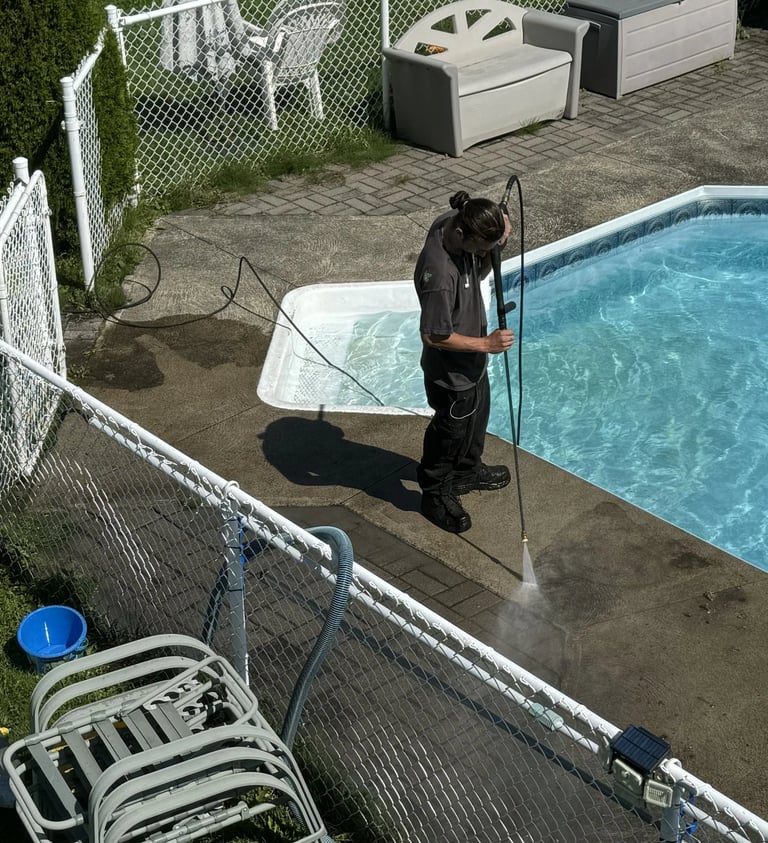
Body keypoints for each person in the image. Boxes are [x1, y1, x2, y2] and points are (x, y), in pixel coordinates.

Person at [414, 190, 514, 533]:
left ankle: (468, 472)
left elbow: (482, 252)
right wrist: (485, 343)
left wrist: (501, 232)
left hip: (472, 364)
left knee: (476, 421)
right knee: (450, 433)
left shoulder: (455, 222)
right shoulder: (438, 273)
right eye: (480, 249)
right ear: (461, 234)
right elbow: (433, 335)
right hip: (450, 374)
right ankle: (435, 492)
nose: (485, 256)